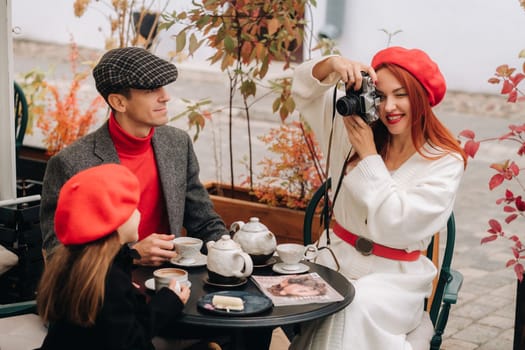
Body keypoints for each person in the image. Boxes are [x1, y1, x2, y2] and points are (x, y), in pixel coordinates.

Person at [289, 46, 467, 349]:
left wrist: (369, 155)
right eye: (381, 96)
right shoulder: (353, 124)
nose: (389, 108)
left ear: (422, 97)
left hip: (394, 282)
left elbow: (399, 225)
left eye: (402, 95)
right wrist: (332, 64)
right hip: (336, 260)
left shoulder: (444, 161)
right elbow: (303, 89)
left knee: (351, 306)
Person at [40, 47, 229, 265]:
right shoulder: (70, 163)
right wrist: (130, 256)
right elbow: (58, 255)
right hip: (107, 293)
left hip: (173, 283)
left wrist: (228, 248)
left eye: (163, 87)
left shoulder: (177, 143)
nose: (165, 97)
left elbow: (203, 220)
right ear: (119, 102)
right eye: (151, 90)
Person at [36, 164, 191, 350]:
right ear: (114, 220)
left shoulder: (75, 262)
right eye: (132, 208)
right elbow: (131, 342)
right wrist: (167, 303)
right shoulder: (110, 280)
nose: (139, 213)